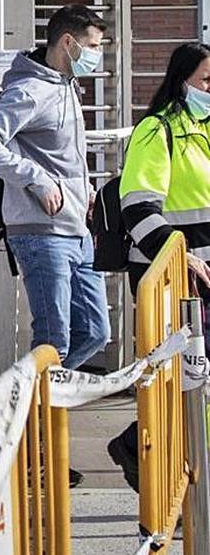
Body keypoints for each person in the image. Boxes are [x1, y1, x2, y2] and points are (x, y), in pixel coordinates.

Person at [0, 4, 111, 488]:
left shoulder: (67, 87)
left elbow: (64, 155)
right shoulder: (30, 89)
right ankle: (33, 451)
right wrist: (36, 180)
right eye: (92, 46)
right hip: (40, 233)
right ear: (67, 42)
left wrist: (82, 188)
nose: (96, 55)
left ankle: (12, 413)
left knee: (95, 331)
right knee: (55, 342)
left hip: (76, 229)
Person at [106, 42, 210, 493]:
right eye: (207, 80)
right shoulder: (157, 130)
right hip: (173, 281)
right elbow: (139, 206)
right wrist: (175, 251)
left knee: (194, 386)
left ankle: (171, 469)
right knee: (185, 384)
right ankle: (178, 480)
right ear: (181, 80)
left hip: (201, 280)